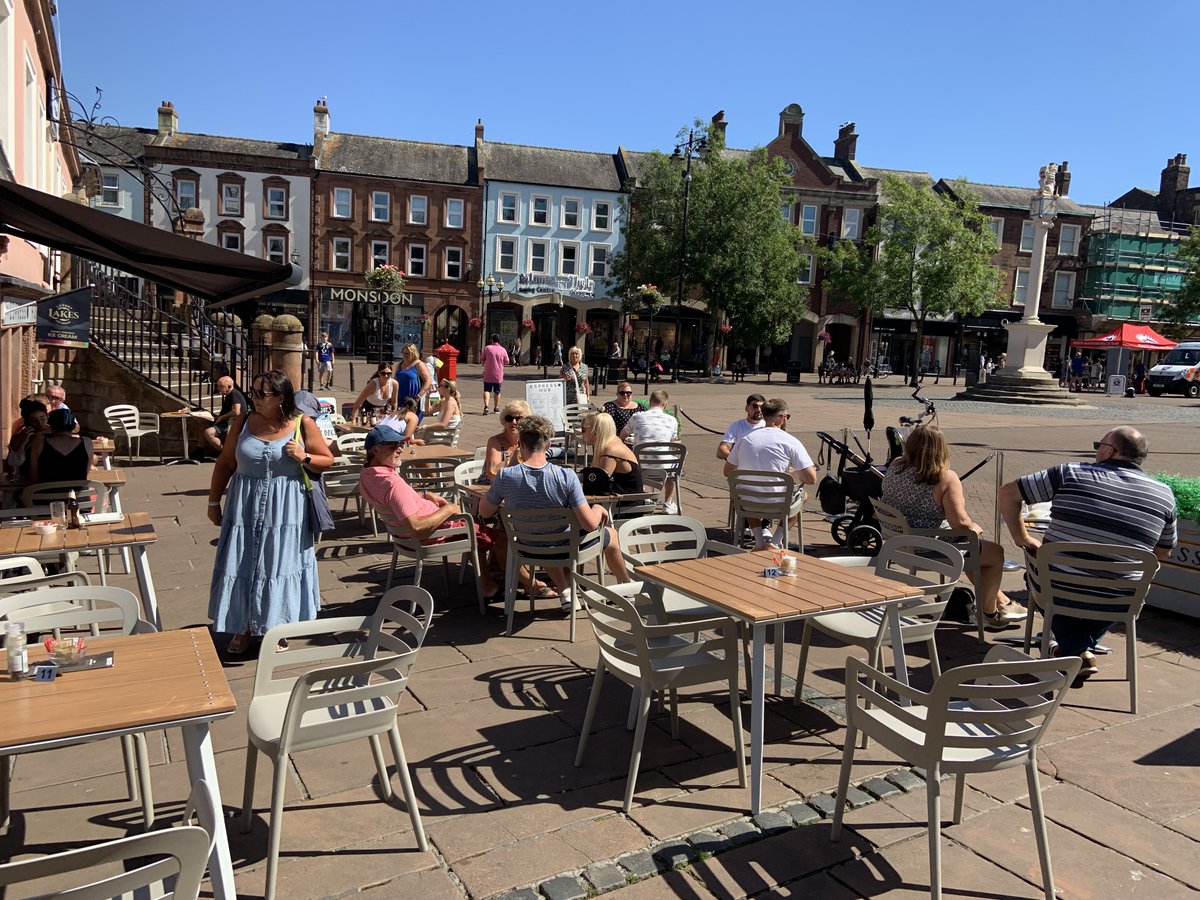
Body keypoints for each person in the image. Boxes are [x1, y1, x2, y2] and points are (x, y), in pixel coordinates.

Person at [999, 426, 1176, 685]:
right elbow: (1163, 552)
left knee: (1039, 574)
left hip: (1059, 587)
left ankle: (1072, 652)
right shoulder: (1164, 495)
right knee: (1101, 590)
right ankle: (1079, 650)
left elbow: (1008, 493)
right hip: (1120, 597)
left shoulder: (1069, 473)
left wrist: (1021, 538)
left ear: (1109, 450)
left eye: (1098, 445)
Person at [207, 369, 334, 655]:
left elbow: (327, 459)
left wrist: (305, 457)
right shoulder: (243, 422)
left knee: (278, 566)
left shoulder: (303, 423)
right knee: (242, 564)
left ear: (280, 397)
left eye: (260, 394)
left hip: (286, 510)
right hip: (244, 506)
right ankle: (242, 626)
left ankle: (275, 626)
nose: (253, 398)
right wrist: (214, 502)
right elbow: (225, 463)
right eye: (252, 392)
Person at [479, 414, 630, 613]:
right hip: (564, 547)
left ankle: (565, 590)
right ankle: (627, 589)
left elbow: (484, 511)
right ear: (549, 445)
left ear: (521, 444)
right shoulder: (565, 476)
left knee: (545, 534)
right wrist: (598, 508)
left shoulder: (506, 476)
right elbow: (590, 525)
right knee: (612, 536)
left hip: (526, 546)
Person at [881, 426, 1025, 629]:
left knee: (970, 548)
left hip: (898, 544)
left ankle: (1002, 602)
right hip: (929, 548)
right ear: (940, 449)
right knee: (993, 553)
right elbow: (960, 522)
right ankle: (989, 613)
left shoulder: (896, 465)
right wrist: (974, 527)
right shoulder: (945, 478)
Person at [358, 422, 503, 601]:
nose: (399, 449)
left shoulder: (368, 475)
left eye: (401, 444)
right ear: (375, 451)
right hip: (425, 537)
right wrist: (449, 510)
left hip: (402, 538)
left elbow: (394, 501)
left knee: (474, 528)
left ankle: (487, 579)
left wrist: (424, 495)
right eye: (393, 446)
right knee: (499, 537)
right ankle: (519, 583)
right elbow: (417, 528)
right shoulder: (392, 483)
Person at [724, 398, 818, 550]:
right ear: (781, 418)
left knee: (747, 490)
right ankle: (776, 541)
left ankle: (759, 541)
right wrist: (793, 474)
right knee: (804, 496)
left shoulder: (745, 439)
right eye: (787, 416)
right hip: (778, 504)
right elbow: (811, 478)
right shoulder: (791, 441)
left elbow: (727, 471)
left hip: (747, 503)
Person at [621, 389, 680, 513]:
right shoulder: (672, 420)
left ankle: (645, 496)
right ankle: (668, 503)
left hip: (641, 464)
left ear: (650, 402)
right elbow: (673, 442)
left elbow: (622, 435)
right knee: (674, 463)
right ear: (666, 404)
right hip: (665, 466)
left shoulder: (637, 417)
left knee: (632, 458)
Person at [28, 409, 95, 484]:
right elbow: (85, 473)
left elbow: (33, 478)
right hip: (77, 493)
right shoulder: (87, 442)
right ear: (73, 426)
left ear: (50, 426)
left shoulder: (39, 443)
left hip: (46, 493)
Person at [584, 412, 642, 493]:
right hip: (621, 497)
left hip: (627, 501)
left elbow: (598, 484)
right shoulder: (614, 443)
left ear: (595, 432)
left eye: (584, 428)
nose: (582, 432)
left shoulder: (610, 451)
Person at [479, 399, 531, 484]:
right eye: (509, 418)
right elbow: (493, 474)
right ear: (504, 421)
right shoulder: (495, 441)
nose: (513, 422)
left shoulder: (529, 442)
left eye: (519, 419)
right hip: (490, 487)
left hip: (517, 487)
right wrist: (514, 456)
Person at [198, 376, 246, 455]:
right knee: (202, 424)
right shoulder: (229, 394)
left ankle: (225, 453)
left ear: (229, 386)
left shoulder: (234, 394)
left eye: (221, 386)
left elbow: (236, 411)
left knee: (208, 432)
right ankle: (199, 451)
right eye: (218, 386)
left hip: (231, 423)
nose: (218, 388)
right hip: (225, 420)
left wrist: (221, 417)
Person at [5, 400, 49, 479]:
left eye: (42, 419)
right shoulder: (20, 437)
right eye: (34, 420)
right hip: (26, 481)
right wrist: (23, 444)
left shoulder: (54, 434)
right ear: (28, 422)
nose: (39, 423)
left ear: (47, 417)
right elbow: (12, 468)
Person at [716, 394, 766, 461]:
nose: (759, 410)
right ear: (746, 408)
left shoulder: (768, 425)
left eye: (762, 407)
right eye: (755, 406)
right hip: (742, 467)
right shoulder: (736, 425)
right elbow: (721, 451)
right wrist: (741, 459)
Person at [396, 343, 433, 420]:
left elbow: (428, 380)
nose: (405, 355)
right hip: (400, 397)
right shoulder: (400, 364)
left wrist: (419, 396)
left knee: (411, 421)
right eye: (404, 353)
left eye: (408, 353)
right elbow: (395, 380)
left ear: (413, 353)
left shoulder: (419, 364)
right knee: (399, 421)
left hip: (413, 399)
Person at [481, 333, 510, 415]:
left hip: (488, 373)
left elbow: (482, 359)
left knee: (487, 390)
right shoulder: (503, 350)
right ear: (499, 340)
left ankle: (486, 406)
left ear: (492, 340)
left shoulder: (487, 348)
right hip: (498, 374)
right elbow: (507, 361)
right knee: (497, 391)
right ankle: (496, 408)